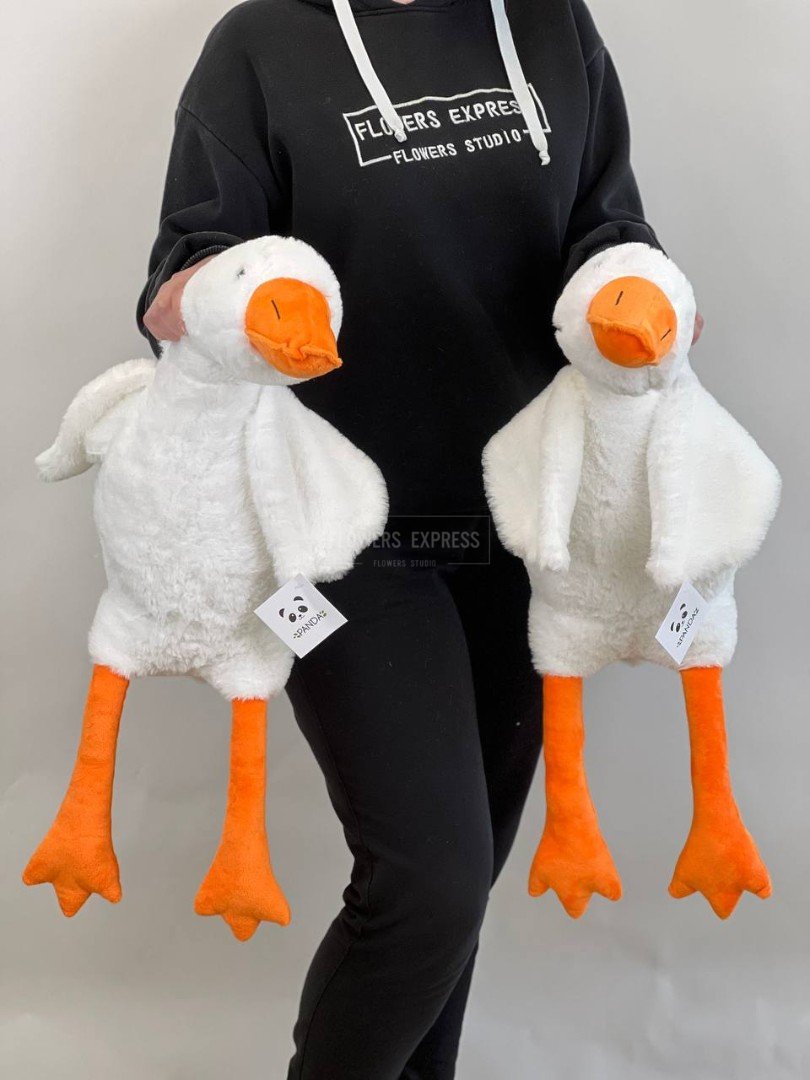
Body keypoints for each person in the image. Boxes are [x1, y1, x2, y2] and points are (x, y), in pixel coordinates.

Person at [140, 0, 701, 1075]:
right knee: (428, 887)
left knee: (456, 898)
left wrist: (643, 295)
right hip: (334, 527)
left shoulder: (548, 22)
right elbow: (182, 283)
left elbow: (607, 227)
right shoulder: (260, 46)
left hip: (521, 518)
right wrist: (224, 297)